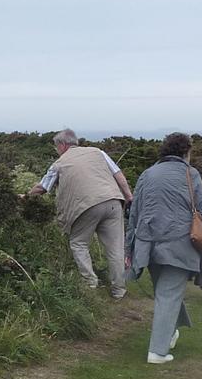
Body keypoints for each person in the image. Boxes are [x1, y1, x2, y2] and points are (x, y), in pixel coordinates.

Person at [124, 132, 202, 363]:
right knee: (168, 294)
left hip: (148, 243)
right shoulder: (191, 174)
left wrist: (129, 249)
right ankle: (157, 352)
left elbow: (134, 213)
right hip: (180, 243)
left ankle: (171, 332)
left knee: (165, 292)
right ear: (186, 152)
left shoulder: (147, 173)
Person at [22, 128, 133, 298]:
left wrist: (25, 196)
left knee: (78, 243)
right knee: (115, 248)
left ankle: (90, 282)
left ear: (62, 145)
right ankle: (119, 290)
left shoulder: (59, 163)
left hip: (85, 206)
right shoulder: (98, 152)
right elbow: (119, 175)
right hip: (113, 201)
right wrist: (129, 197)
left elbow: (43, 187)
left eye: (56, 147)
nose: (57, 150)